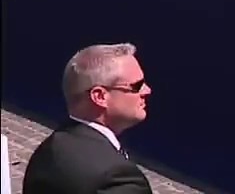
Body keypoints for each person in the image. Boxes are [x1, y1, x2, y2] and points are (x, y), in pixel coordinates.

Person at [23, 43, 153, 194]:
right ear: (100, 97)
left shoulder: (46, 152)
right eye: (137, 86)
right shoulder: (117, 179)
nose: (147, 90)